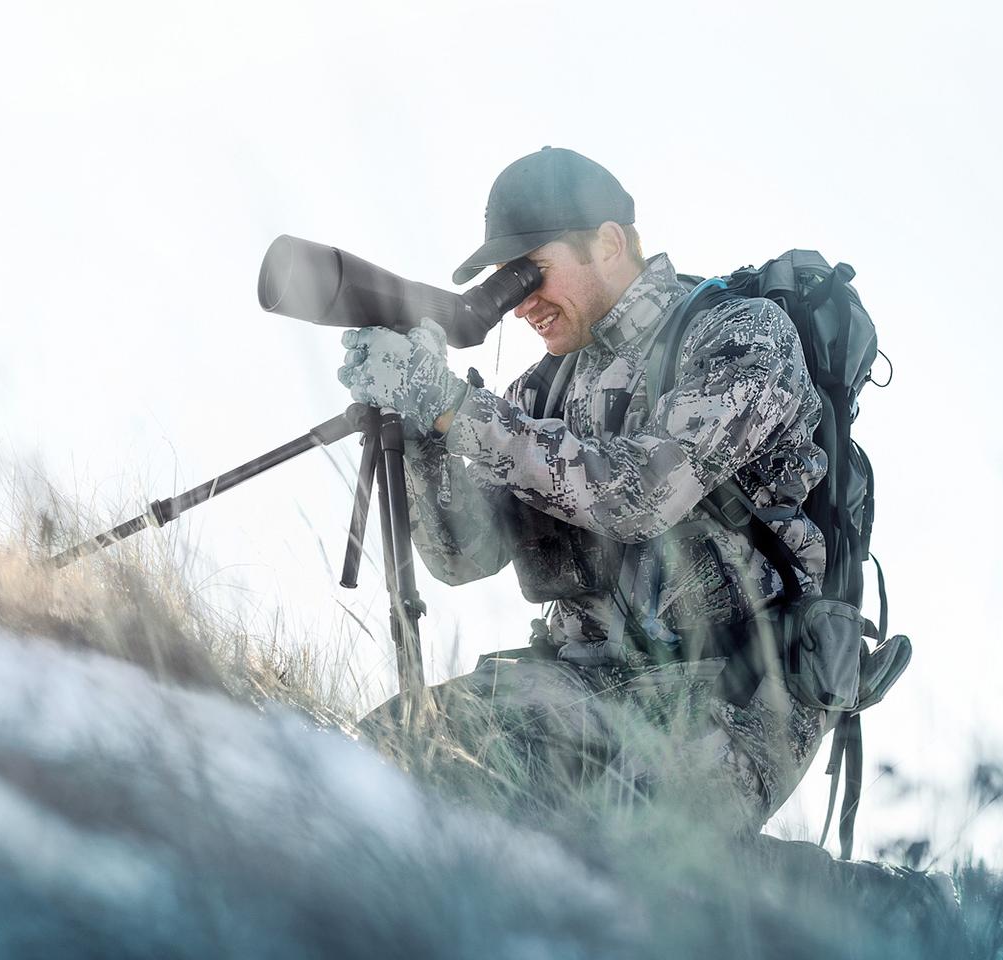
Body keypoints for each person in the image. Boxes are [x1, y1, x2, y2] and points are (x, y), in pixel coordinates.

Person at [339, 147, 831, 830]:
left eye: (527, 275)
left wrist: (456, 406)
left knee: (611, 847)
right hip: (581, 680)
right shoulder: (542, 391)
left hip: (732, 691)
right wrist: (421, 425)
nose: (520, 307)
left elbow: (639, 495)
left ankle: (893, 903)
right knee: (392, 754)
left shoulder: (741, 336)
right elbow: (459, 556)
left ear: (607, 243)